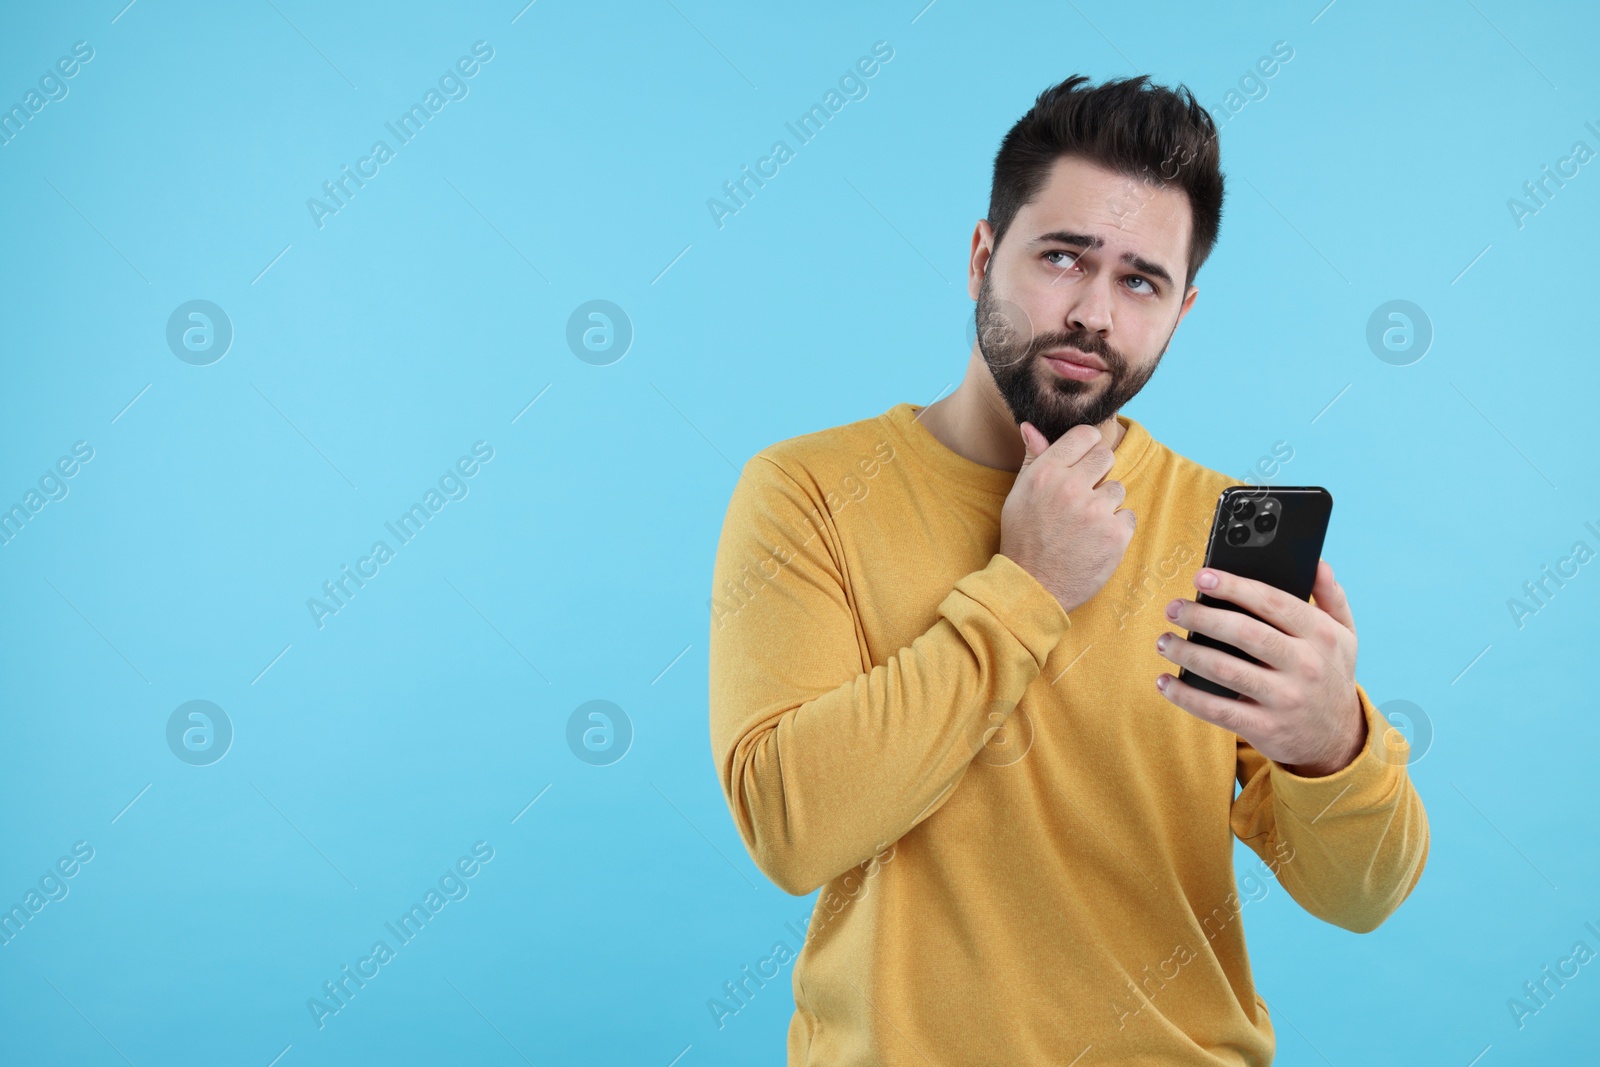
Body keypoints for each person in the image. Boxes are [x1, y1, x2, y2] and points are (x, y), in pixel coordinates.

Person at [707, 73, 1428, 1066]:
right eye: (1062, 257)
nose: (1093, 311)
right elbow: (792, 828)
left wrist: (1330, 743)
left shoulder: (1225, 529)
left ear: (1180, 310)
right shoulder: (808, 491)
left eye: (1141, 281)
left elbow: (1364, 894)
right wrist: (1027, 586)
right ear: (980, 256)